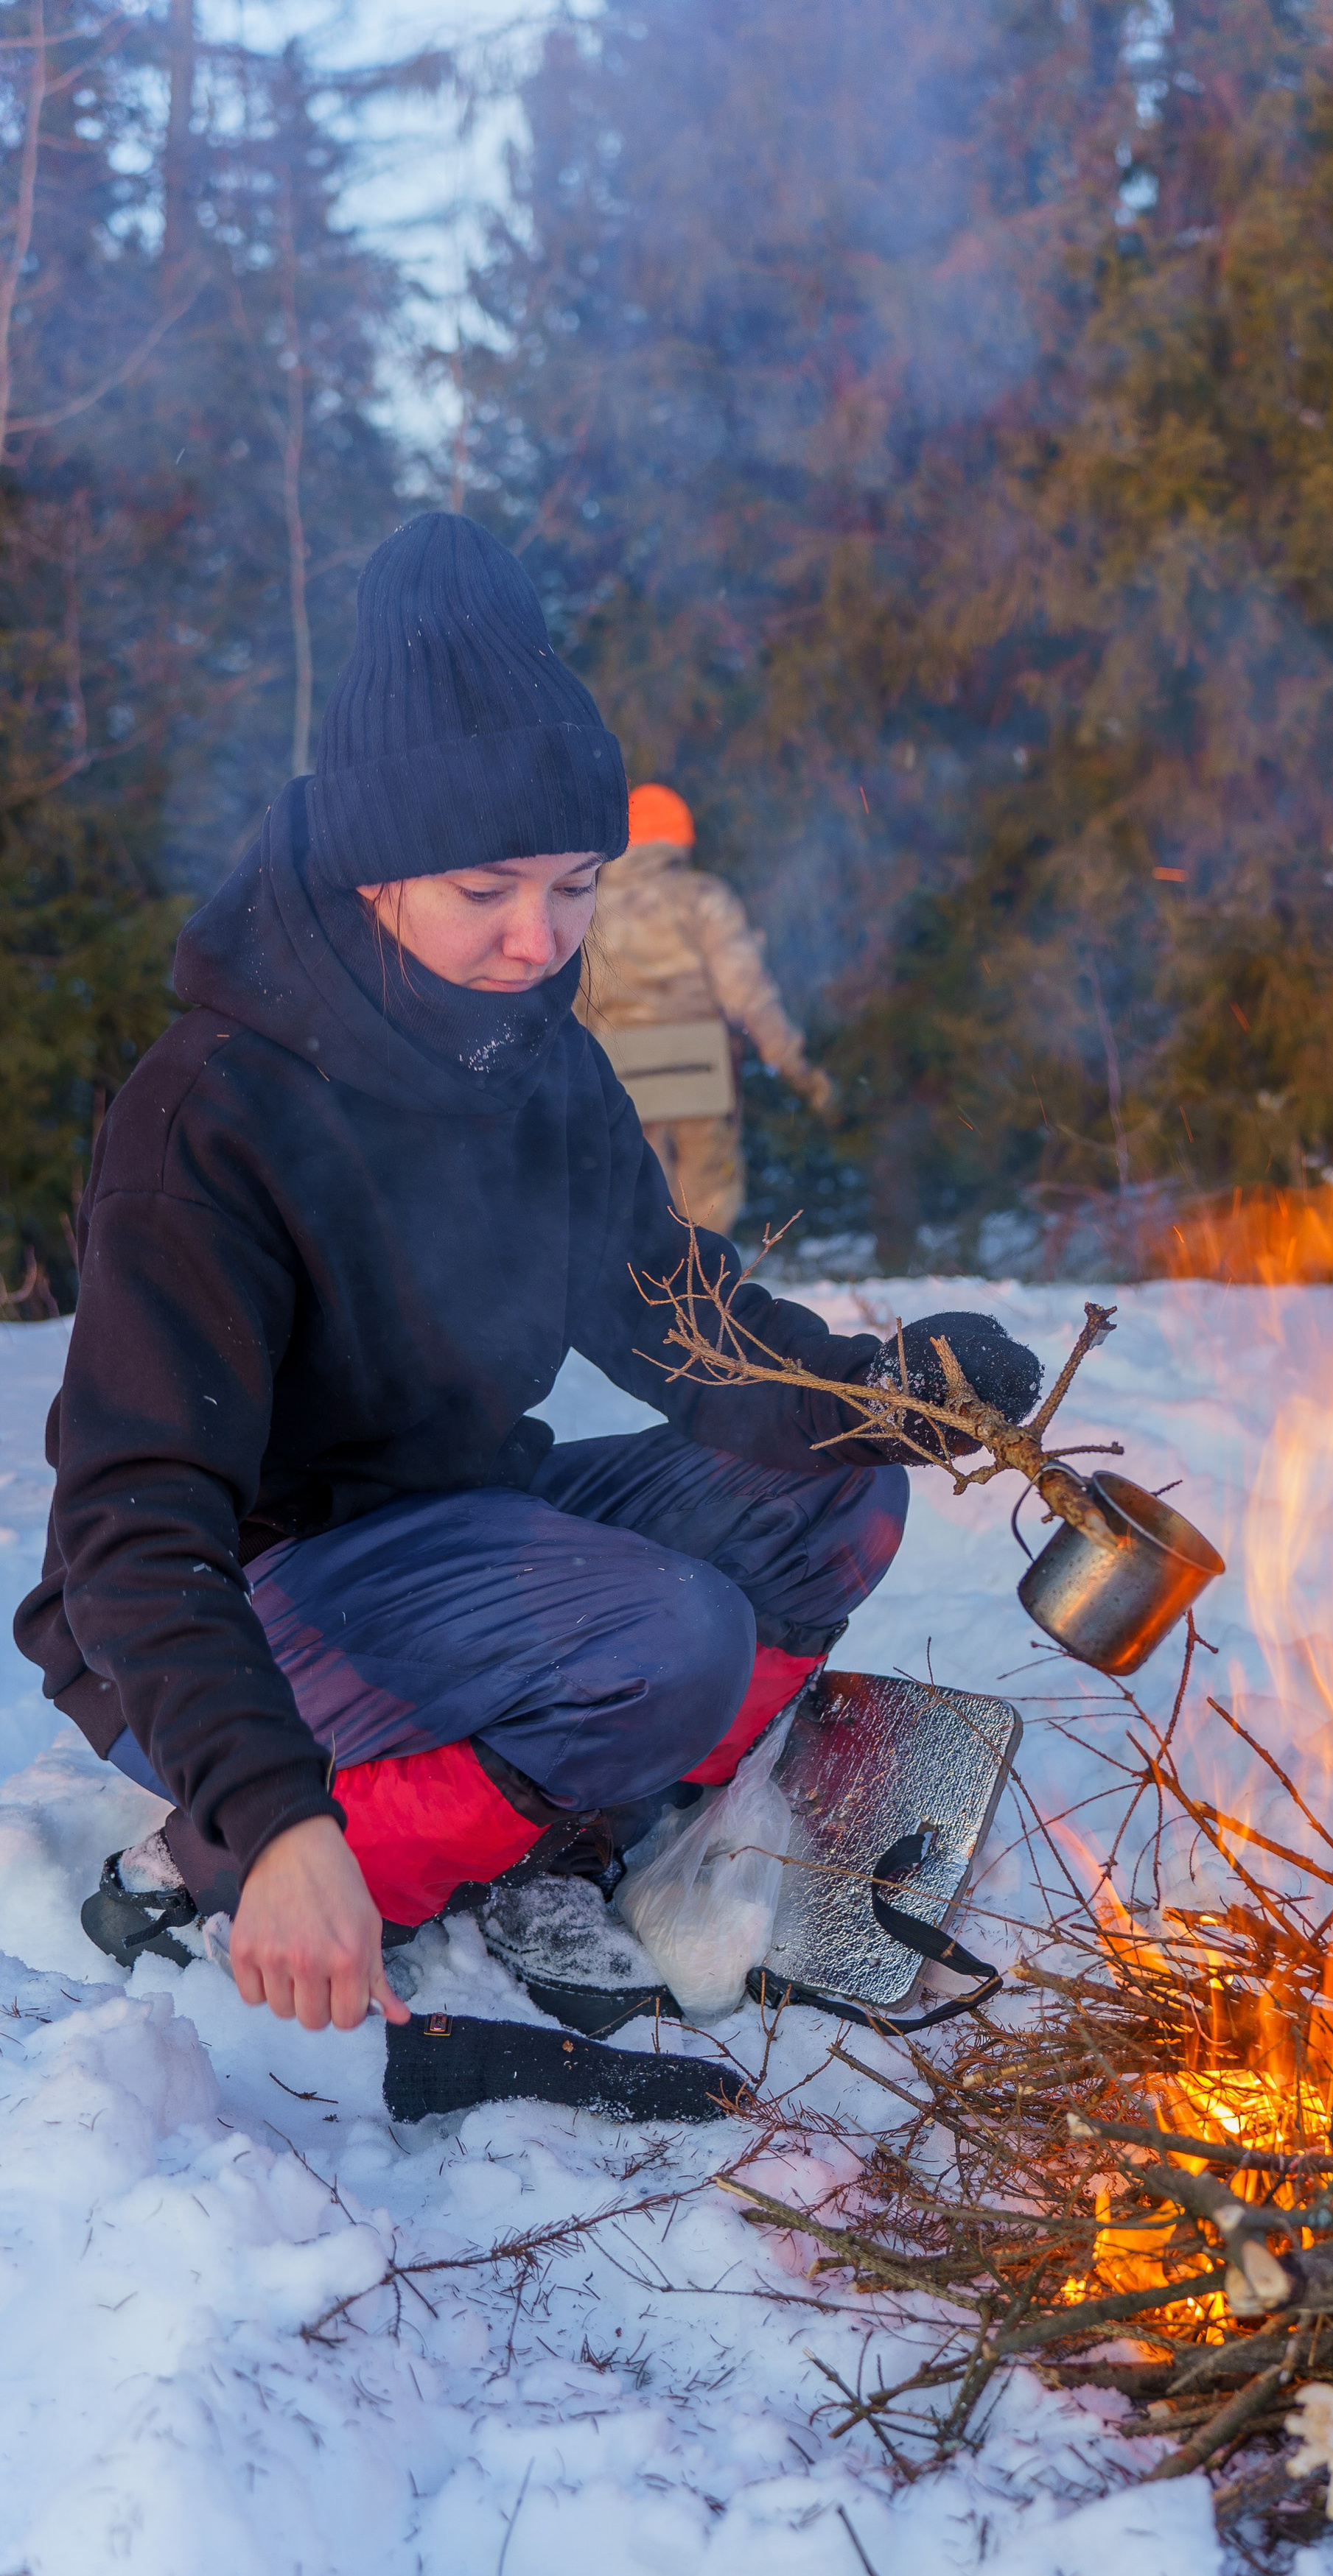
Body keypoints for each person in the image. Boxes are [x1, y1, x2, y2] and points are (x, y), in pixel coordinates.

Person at [13, 512, 1040, 2038]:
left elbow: (672, 1321)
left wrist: (883, 1395)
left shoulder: (538, 1061)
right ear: (373, 875)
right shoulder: (215, 1111)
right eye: (488, 887)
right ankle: (280, 1852)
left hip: (461, 1540)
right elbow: (134, 1513)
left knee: (837, 1490)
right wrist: (272, 1815)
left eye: (573, 886)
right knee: (667, 1641)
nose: (536, 938)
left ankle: (580, 1811)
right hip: (237, 1604)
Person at [584, 783, 832, 1236]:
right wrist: (798, 1067)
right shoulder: (704, 897)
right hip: (701, 1070)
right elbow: (747, 994)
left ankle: (648, 1302)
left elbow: (577, 1006)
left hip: (620, 1077)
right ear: (681, 839)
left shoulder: (589, 906)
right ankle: (706, 1299)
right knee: (707, 1211)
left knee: (635, 1207)